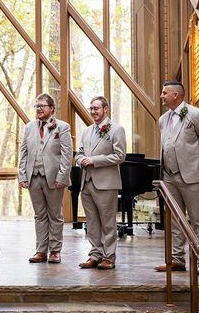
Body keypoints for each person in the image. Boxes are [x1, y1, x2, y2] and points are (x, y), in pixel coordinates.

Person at [154, 81, 199, 275]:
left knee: (198, 219)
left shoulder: (196, 114)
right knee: (175, 220)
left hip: (192, 176)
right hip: (169, 177)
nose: (161, 96)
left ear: (176, 95)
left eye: (165, 93)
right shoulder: (163, 119)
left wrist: (198, 167)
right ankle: (177, 259)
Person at [18, 93, 72, 264]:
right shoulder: (29, 127)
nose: (39, 109)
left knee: (55, 215)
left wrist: (62, 177)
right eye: (37, 106)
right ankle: (41, 250)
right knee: (39, 215)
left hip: (54, 178)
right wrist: (22, 175)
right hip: (34, 177)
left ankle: (55, 251)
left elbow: (66, 154)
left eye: (42, 106)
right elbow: (23, 153)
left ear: (52, 109)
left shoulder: (62, 127)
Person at [75, 95, 126, 270]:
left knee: (108, 222)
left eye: (96, 108)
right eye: (91, 108)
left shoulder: (116, 129)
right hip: (86, 182)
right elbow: (79, 152)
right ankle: (95, 254)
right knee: (92, 222)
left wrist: (94, 160)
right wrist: (80, 159)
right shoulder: (87, 130)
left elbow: (120, 155)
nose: (93, 112)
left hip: (105, 183)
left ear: (106, 109)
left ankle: (109, 256)